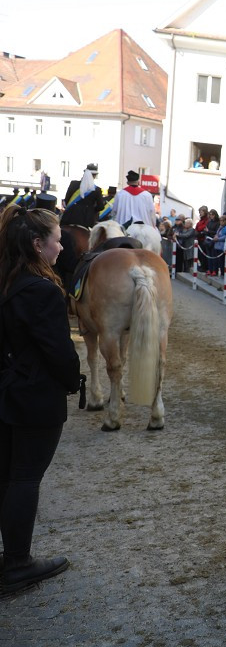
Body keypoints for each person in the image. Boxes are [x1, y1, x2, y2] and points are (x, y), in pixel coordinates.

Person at [0, 206, 82, 595]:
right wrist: (72, 381)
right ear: (37, 244)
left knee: (9, 475)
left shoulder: (7, 281)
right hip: (34, 396)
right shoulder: (43, 290)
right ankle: (17, 561)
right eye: (57, 240)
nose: (62, 247)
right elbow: (60, 352)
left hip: (7, 388)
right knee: (25, 478)